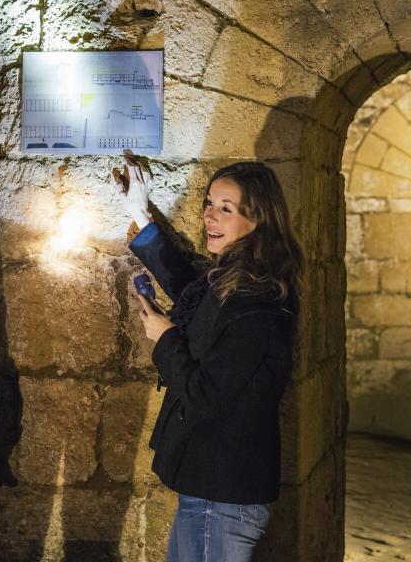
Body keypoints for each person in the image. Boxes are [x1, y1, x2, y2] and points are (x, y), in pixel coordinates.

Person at [117, 158, 303, 561]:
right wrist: (139, 213)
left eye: (226, 208)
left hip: (223, 496)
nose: (209, 215)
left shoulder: (260, 298)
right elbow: (189, 287)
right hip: (211, 493)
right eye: (209, 202)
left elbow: (208, 394)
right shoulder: (236, 278)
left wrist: (166, 338)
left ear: (259, 220)